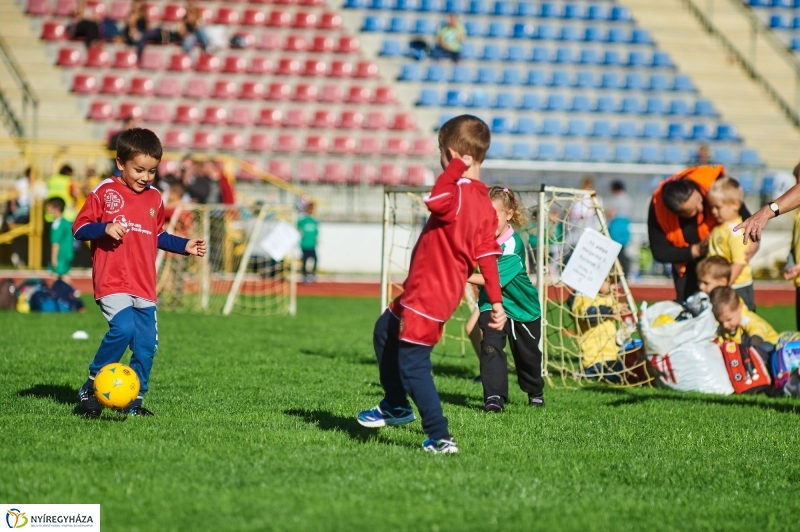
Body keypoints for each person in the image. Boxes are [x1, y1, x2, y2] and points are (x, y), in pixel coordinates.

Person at [356, 115, 506, 454]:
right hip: (423, 290)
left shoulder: (460, 191)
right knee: (384, 331)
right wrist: (496, 302)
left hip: (430, 293)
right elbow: (487, 255)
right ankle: (395, 405)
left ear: (450, 154)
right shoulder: (484, 200)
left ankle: (440, 436)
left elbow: (435, 201)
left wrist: (453, 170)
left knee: (413, 364)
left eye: (442, 155)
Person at [73, 128, 207, 417]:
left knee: (146, 348)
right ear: (120, 163)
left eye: (152, 171)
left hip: (144, 285)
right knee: (124, 329)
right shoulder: (104, 192)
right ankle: (91, 385)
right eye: (139, 170)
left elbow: (156, 234)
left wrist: (184, 245)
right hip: (113, 281)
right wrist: (104, 228)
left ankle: (133, 401)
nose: (146, 177)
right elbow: (80, 228)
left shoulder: (155, 198)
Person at [467, 186, 544, 412]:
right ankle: (494, 397)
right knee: (490, 346)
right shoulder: (478, 237)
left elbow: (492, 279)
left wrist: (459, 274)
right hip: (492, 303)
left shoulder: (513, 245)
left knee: (527, 359)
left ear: (508, 214)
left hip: (522, 309)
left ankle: (535, 391)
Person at [648, 165, 755, 303]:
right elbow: (659, 251)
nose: (701, 208)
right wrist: (694, 251)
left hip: (724, 274)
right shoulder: (659, 209)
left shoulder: (714, 184)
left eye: (700, 201)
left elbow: (742, 211)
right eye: (691, 211)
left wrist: (755, 240)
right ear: (677, 214)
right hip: (690, 268)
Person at [705, 177, 756, 311]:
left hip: (737, 287)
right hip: (722, 285)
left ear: (735, 205)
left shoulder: (737, 231)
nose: (714, 211)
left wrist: (724, 285)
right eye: (712, 207)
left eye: (718, 207)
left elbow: (739, 262)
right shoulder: (720, 227)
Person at [572, 280, 630, 383]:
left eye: (617, 282)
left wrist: (629, 318)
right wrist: (610, 311)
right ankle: (585, 373)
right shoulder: (584, 298)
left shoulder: (608, 299)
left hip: (613, 357)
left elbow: (622, 310)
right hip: (594, 361)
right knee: (620, 377)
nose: (615, 286)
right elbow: (587, 314)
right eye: (611, 282)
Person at [710, 286, 779, 367]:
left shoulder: (745, 319)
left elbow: (757, 328)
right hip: (744, 349)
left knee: (765, 348)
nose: (725, 325)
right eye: (721, 322)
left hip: (771, 345)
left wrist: (752, 345)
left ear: (739, 308)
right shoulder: (725, 325)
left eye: (729, 320)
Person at [45, 197, 75, 280]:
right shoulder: (67, 222)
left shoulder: (57, 224)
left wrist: (53, 258)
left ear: (56, 209)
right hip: (67, 254)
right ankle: (73, 292)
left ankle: (71, 292)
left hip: (60, 255)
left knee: (55, 277)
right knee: (65, 275)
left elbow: (55, 243)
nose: (47, 209)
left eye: (49, 207)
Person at [606, 180, 632, 275]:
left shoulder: (616, 199)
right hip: (625, 227)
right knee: (622, 250)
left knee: (615, 251)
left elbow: (611, 213)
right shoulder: (628, 199)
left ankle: (621, 272)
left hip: (616, 226)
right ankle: (625, 272)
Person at [297, 202, 319, 283]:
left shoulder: (314, 221)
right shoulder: (303, 220)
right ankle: (304, 276)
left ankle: (313, 274)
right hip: (304, 244)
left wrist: (317, 240)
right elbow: (297, 227)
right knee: (305, 260)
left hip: (312, 244)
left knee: (315, 259)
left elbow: (316, 232)